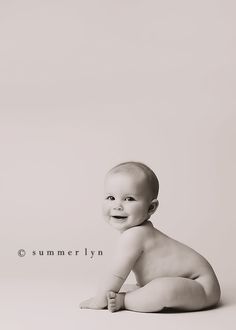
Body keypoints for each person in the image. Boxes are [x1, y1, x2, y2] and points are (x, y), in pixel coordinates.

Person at [80, 161, 221, 313]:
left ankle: (125, 301)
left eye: (129, 199)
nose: (117, 205)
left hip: (201, 286)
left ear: (151, 207)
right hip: (190, 283)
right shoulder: (140, 232)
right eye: (110, 198)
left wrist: (99, 300)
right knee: (154, 288)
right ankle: (140, 293)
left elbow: (116, 273)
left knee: (162, 291)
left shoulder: (134, 235)